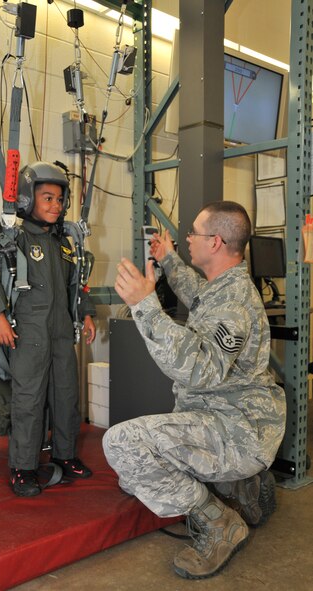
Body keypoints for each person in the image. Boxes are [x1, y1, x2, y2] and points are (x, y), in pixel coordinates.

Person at [103, 201, 286, 579]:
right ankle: (240, 486)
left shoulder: (234, 302)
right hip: (229, 419)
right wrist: (169, 258)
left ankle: (220, 523)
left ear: (215, 242)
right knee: (132, 476)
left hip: (237, 430)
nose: (187, 238)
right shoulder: (223, 285)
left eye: (194, 234)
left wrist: (144, 306)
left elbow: (200, 371)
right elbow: (196, 294)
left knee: (122, 446)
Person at [0, 161, 96, 497]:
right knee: (29, 401)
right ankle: (23, 467)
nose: (55, 206)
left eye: (60, 200)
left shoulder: (64, 243)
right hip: (27, 333)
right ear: (27, 198)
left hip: (61, 331)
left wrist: (86, 314)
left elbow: (77, 284)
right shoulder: (11, 238)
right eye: (47, 198)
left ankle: (65, 455)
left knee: (66, 396)